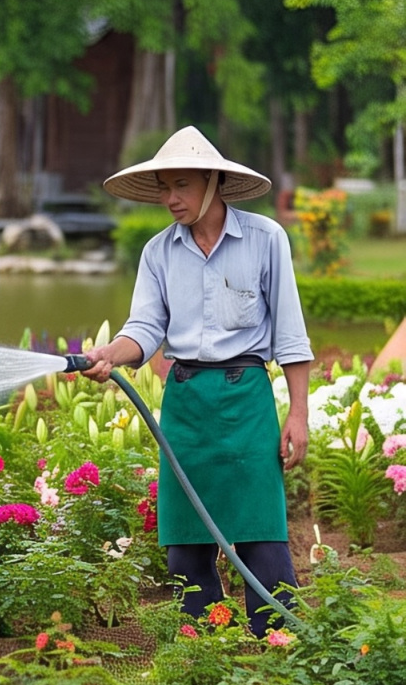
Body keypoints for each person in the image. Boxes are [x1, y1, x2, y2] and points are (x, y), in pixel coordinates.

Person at [82, 126, 313, 637]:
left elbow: (291, 336)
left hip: (246, 398)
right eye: (164, 187)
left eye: (180, 185)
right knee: (185, 541)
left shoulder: (266, 239)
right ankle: (202, 643)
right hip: (185, 404)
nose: (170, 199)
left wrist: (297, 412)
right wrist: (109, 355)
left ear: (213, 182)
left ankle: (275, 639)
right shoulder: (158, 253)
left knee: (261, 532)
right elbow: (143, 330)